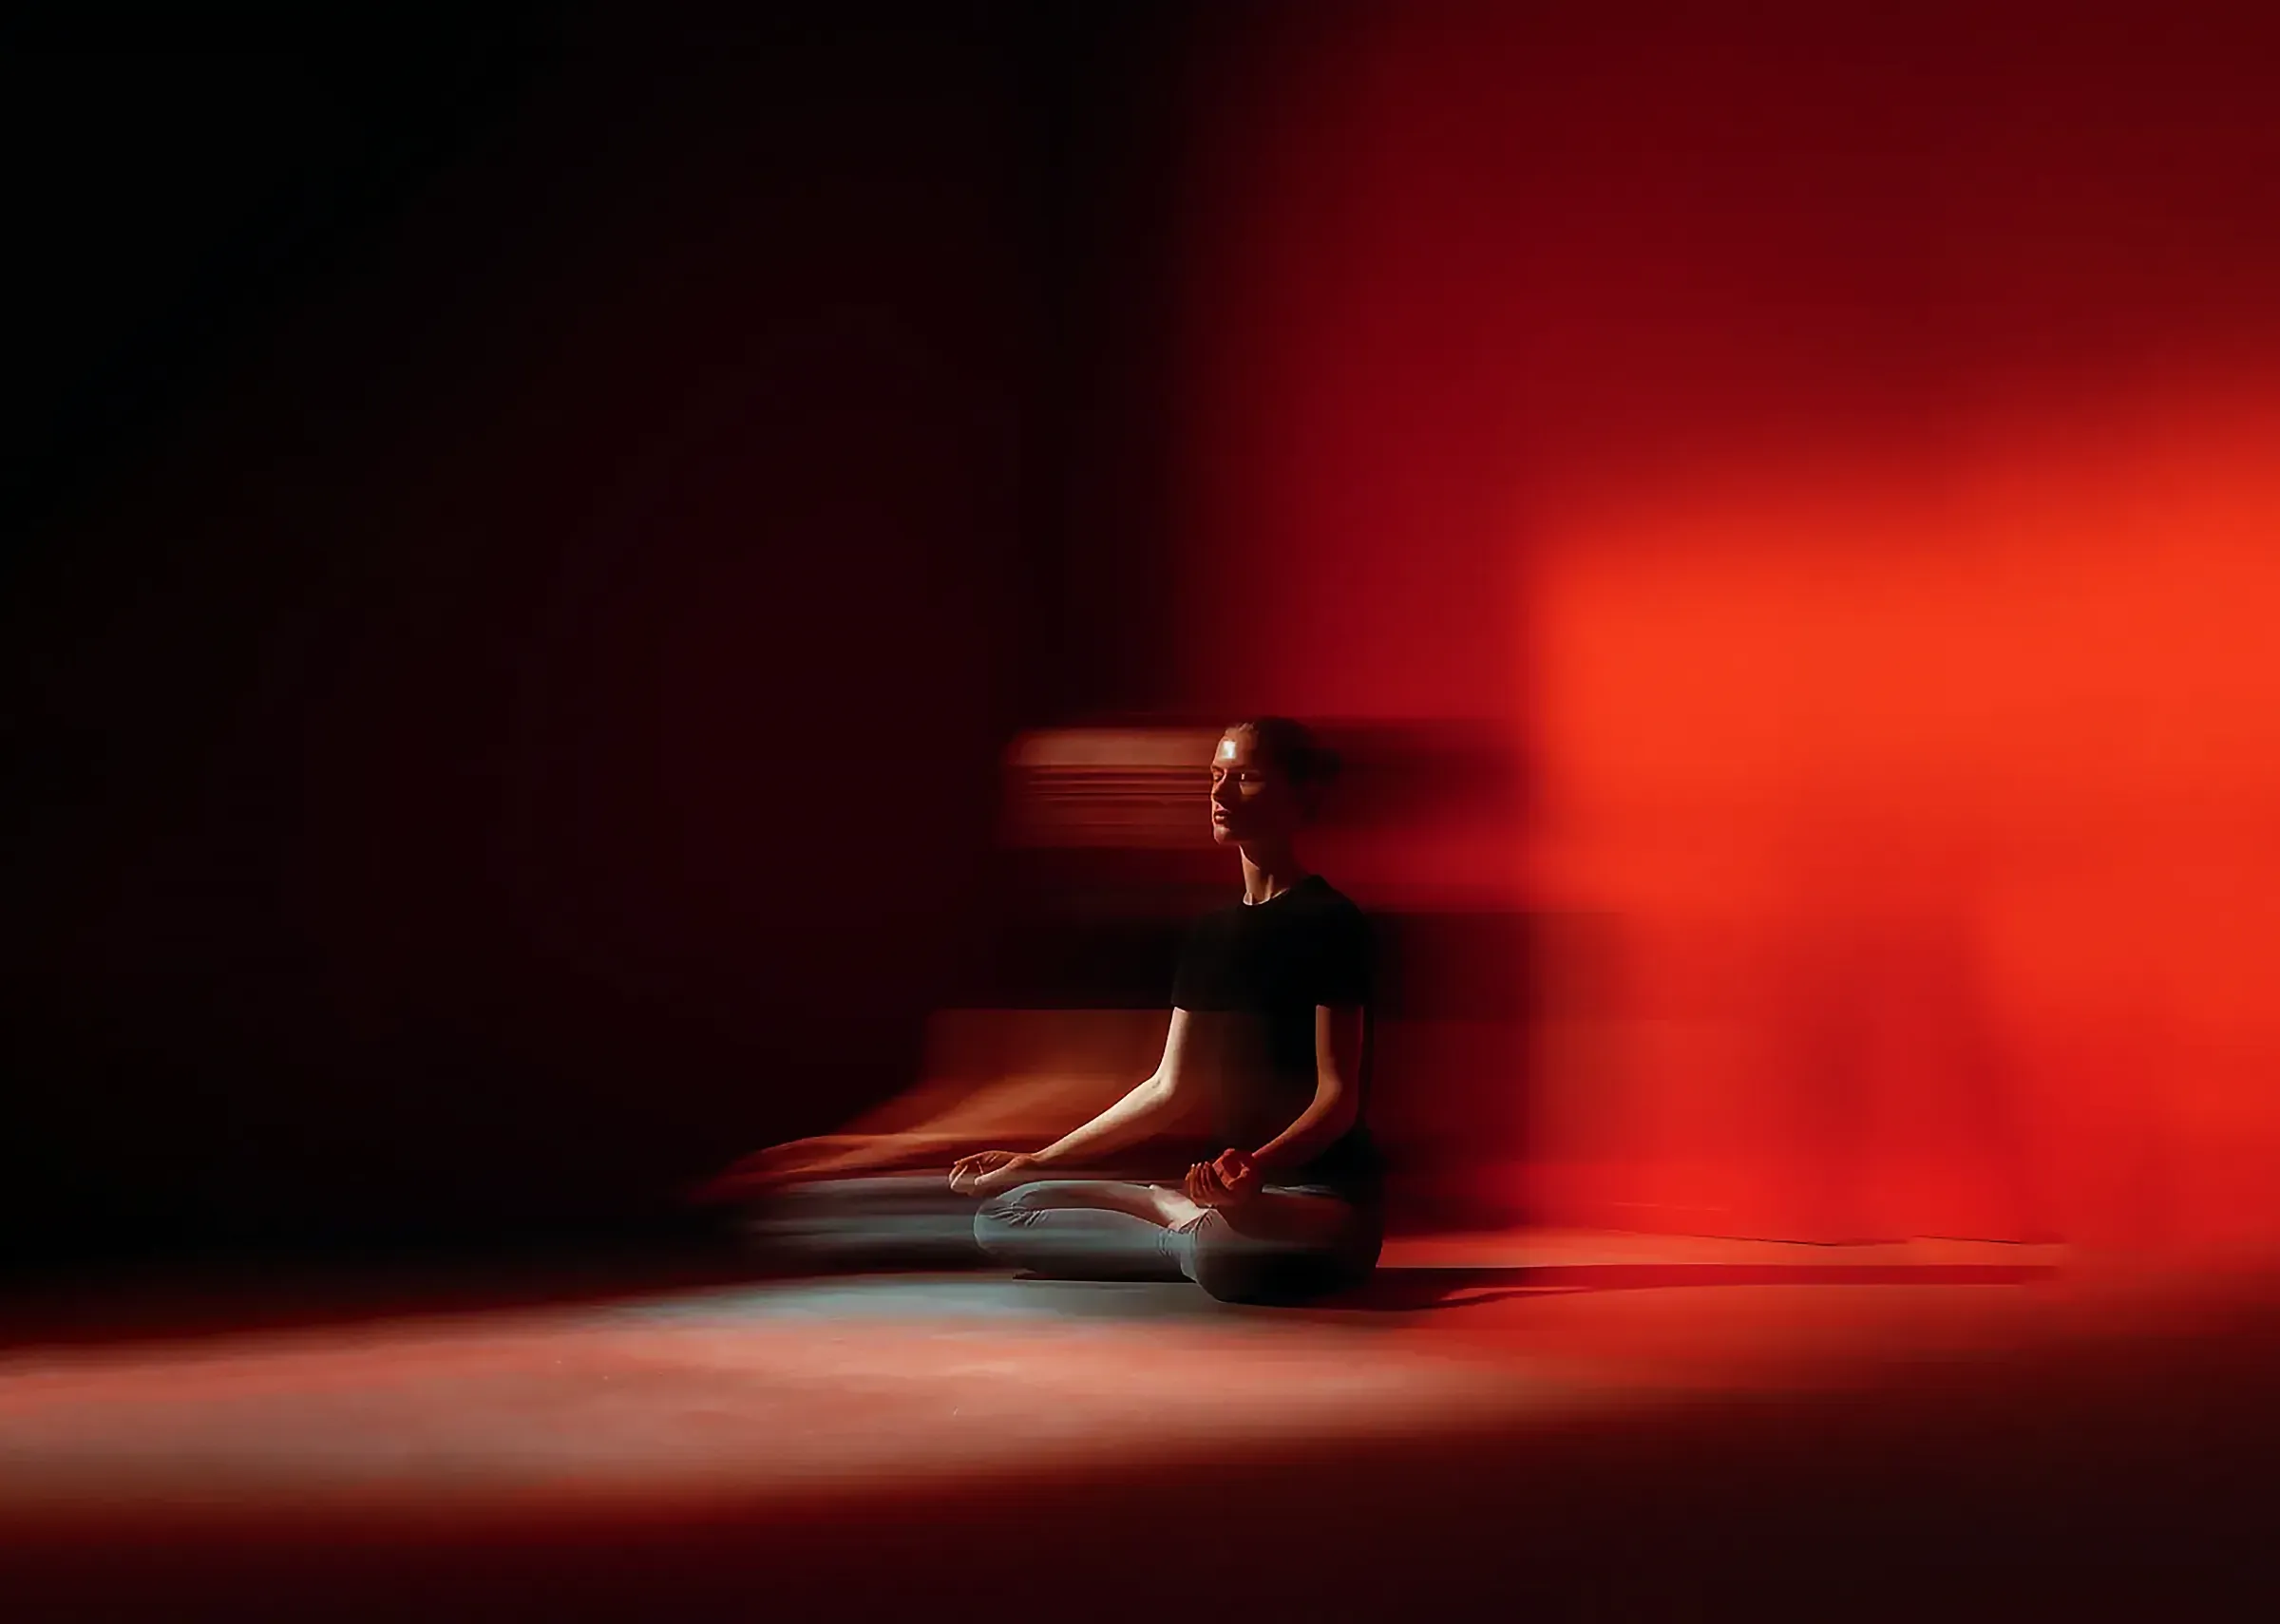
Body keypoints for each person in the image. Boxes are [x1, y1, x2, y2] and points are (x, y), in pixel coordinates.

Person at [950, 717, 1382, 1305]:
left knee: (1226, 1248)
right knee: (1005, 1211)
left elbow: (1336, 1097)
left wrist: (1254, 1169)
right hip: (1221, 1200)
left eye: (1245, 777)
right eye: (1215, 776)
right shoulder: (1212, 934)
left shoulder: (1332, 922)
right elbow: (1168, 1088)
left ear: (1299, 794)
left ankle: (1196, 1236)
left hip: (1316, 1201)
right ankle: (1186, 1226)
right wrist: (1035, 1160)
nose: (1220, 794)